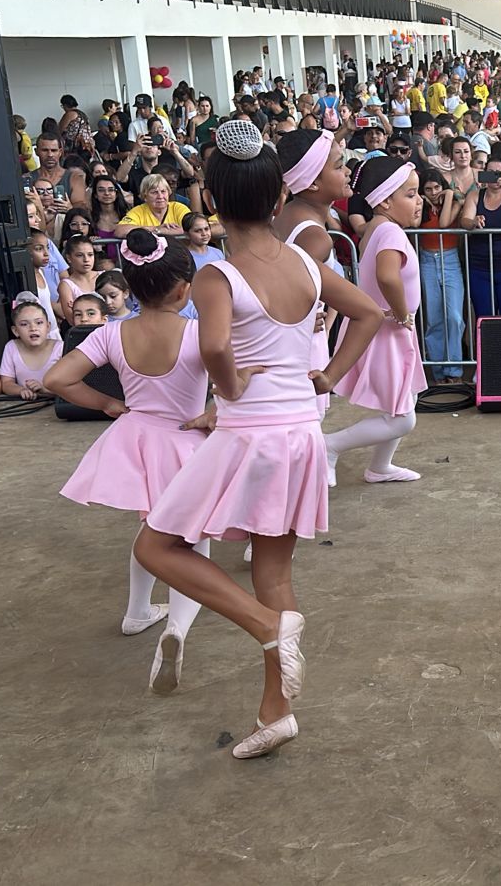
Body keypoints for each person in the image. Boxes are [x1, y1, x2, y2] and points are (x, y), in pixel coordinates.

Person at [130, 121, 382, 758]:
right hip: (301, 433)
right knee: (273, 567)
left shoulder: (218, 275)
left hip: (251, 435)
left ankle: (266, 626)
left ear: (211, 200)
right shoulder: (304, 260)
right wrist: (327, 375)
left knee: (157, 545)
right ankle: (276, 710)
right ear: (276, 200)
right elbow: (371, 312)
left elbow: (214, 345)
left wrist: (229, 384)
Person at [47, 230, 213, 647]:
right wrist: (218, 412)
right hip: (186, 442)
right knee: (192, 540)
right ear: (183, 288)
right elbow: (242, 382)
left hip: (137, 439)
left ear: (131, 287)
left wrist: (105, 403)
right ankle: (177, 626)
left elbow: (56, 379)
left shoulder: (110, 333)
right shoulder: (196, 333)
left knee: (153, 531)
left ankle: (138, 612)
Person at [324, 156, 429, 485]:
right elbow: (387, 277)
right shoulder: (392, 235)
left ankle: (380, 467)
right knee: (403, 419)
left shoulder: (378, 229)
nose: (419, 201)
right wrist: (401, 312)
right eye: (410, 195)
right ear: (384, 201)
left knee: (404, 401)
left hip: (390, 331)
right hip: (389, 332)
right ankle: (330, 446)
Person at [275, 130, 356, 420]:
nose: (347, 171)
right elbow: (282, 294)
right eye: (337, 166)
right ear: (310, 183)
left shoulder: (284, 216)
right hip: (300, 349)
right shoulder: (315, 238)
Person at [415, 169, 466, 383]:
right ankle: (437, 371)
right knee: (434, 319)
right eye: (428, 189)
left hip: (450, 259)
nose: (434, 192)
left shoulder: (454, 202)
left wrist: (448, 196)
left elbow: (445, 222)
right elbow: (415, 224)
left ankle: (453, 370)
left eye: (437, 187)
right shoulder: (421, 206)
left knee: (454, 316)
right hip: (427, 260)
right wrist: (425, 200)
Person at [460, 158, 501, 316]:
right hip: (479, 266)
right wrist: (473, 222)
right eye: (490, 173)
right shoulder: (475, 196)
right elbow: (464, 220)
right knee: (484, 315)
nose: (494, 177)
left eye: (498, 173)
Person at [0, 299, 61, 400]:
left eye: (39, 322)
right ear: (15, 331)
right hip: (26, 405)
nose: (33, 328)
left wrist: (45, 389)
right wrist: (21, 390)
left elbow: (71, 384)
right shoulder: (11, 347)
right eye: (24, 324)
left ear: (48, 327)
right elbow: (6, 383)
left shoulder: (60, 348)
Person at [116, 174, 192, 238]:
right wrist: (156, 229)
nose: (160, 196)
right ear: (145, 196)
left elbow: (194, 227)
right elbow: (120, 231)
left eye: (163, 191)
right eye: (154, 192)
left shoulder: (178, 208)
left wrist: (162, 232)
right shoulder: (138, 211)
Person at [56, 234, 100, 323]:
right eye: (80, 255)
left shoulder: (103, 276)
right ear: (69, 258)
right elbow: (72, 319)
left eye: (90, 255)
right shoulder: (66, 285)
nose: (86, 259)